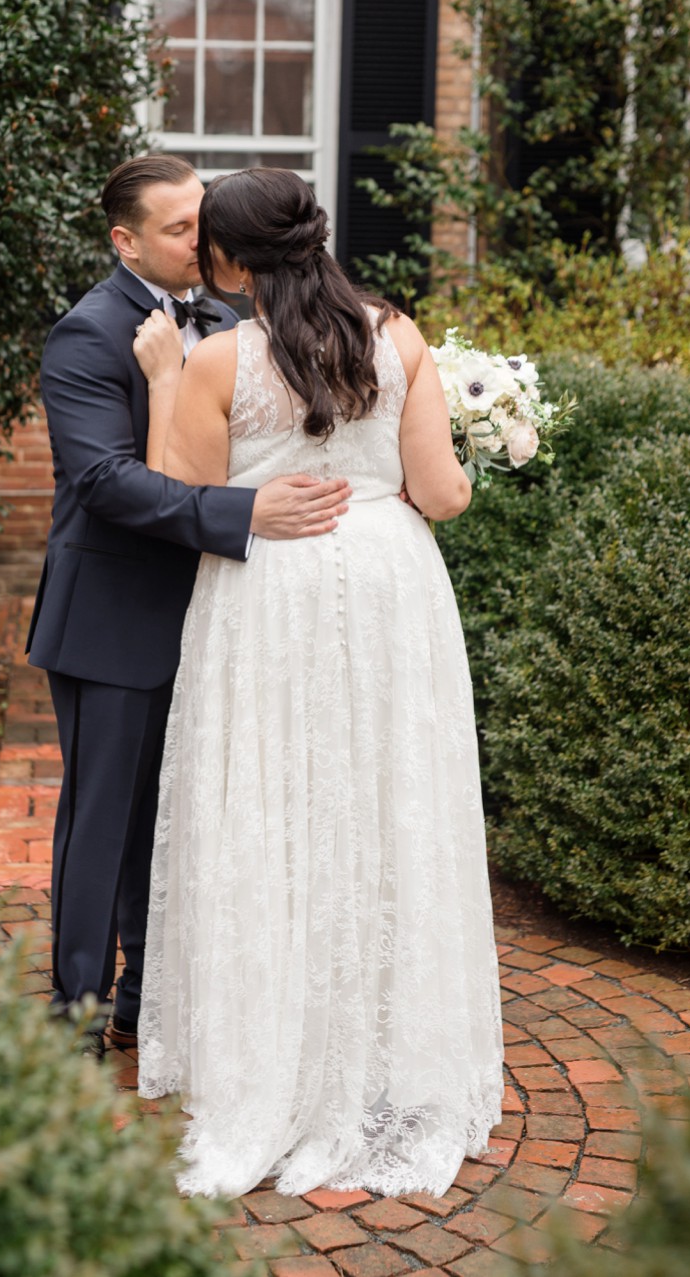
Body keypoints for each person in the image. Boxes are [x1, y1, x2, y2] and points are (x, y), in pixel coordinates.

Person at [133, 167, 503, 1198]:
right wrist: (468, 452)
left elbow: (181, 496)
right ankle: (388, 1053)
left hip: (270, 595)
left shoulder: (214, 359)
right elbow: (440, 492)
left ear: (232, 259)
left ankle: (281, 1051)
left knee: (274, 807)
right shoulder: (401, 337)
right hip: (391, 587)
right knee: (389, 804)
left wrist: (164, 380)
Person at [25, 154, 352, 1058]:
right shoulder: (86, 334)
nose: (201, 240)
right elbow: (103, 482)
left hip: (222, 617)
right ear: (124, 240)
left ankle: (147, 999)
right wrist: (247, 514)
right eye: (179, 229)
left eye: (203, 220)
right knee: (107, 820)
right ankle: (77, 1011)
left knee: (182, 816)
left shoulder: (226, 317)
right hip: (116, 613)